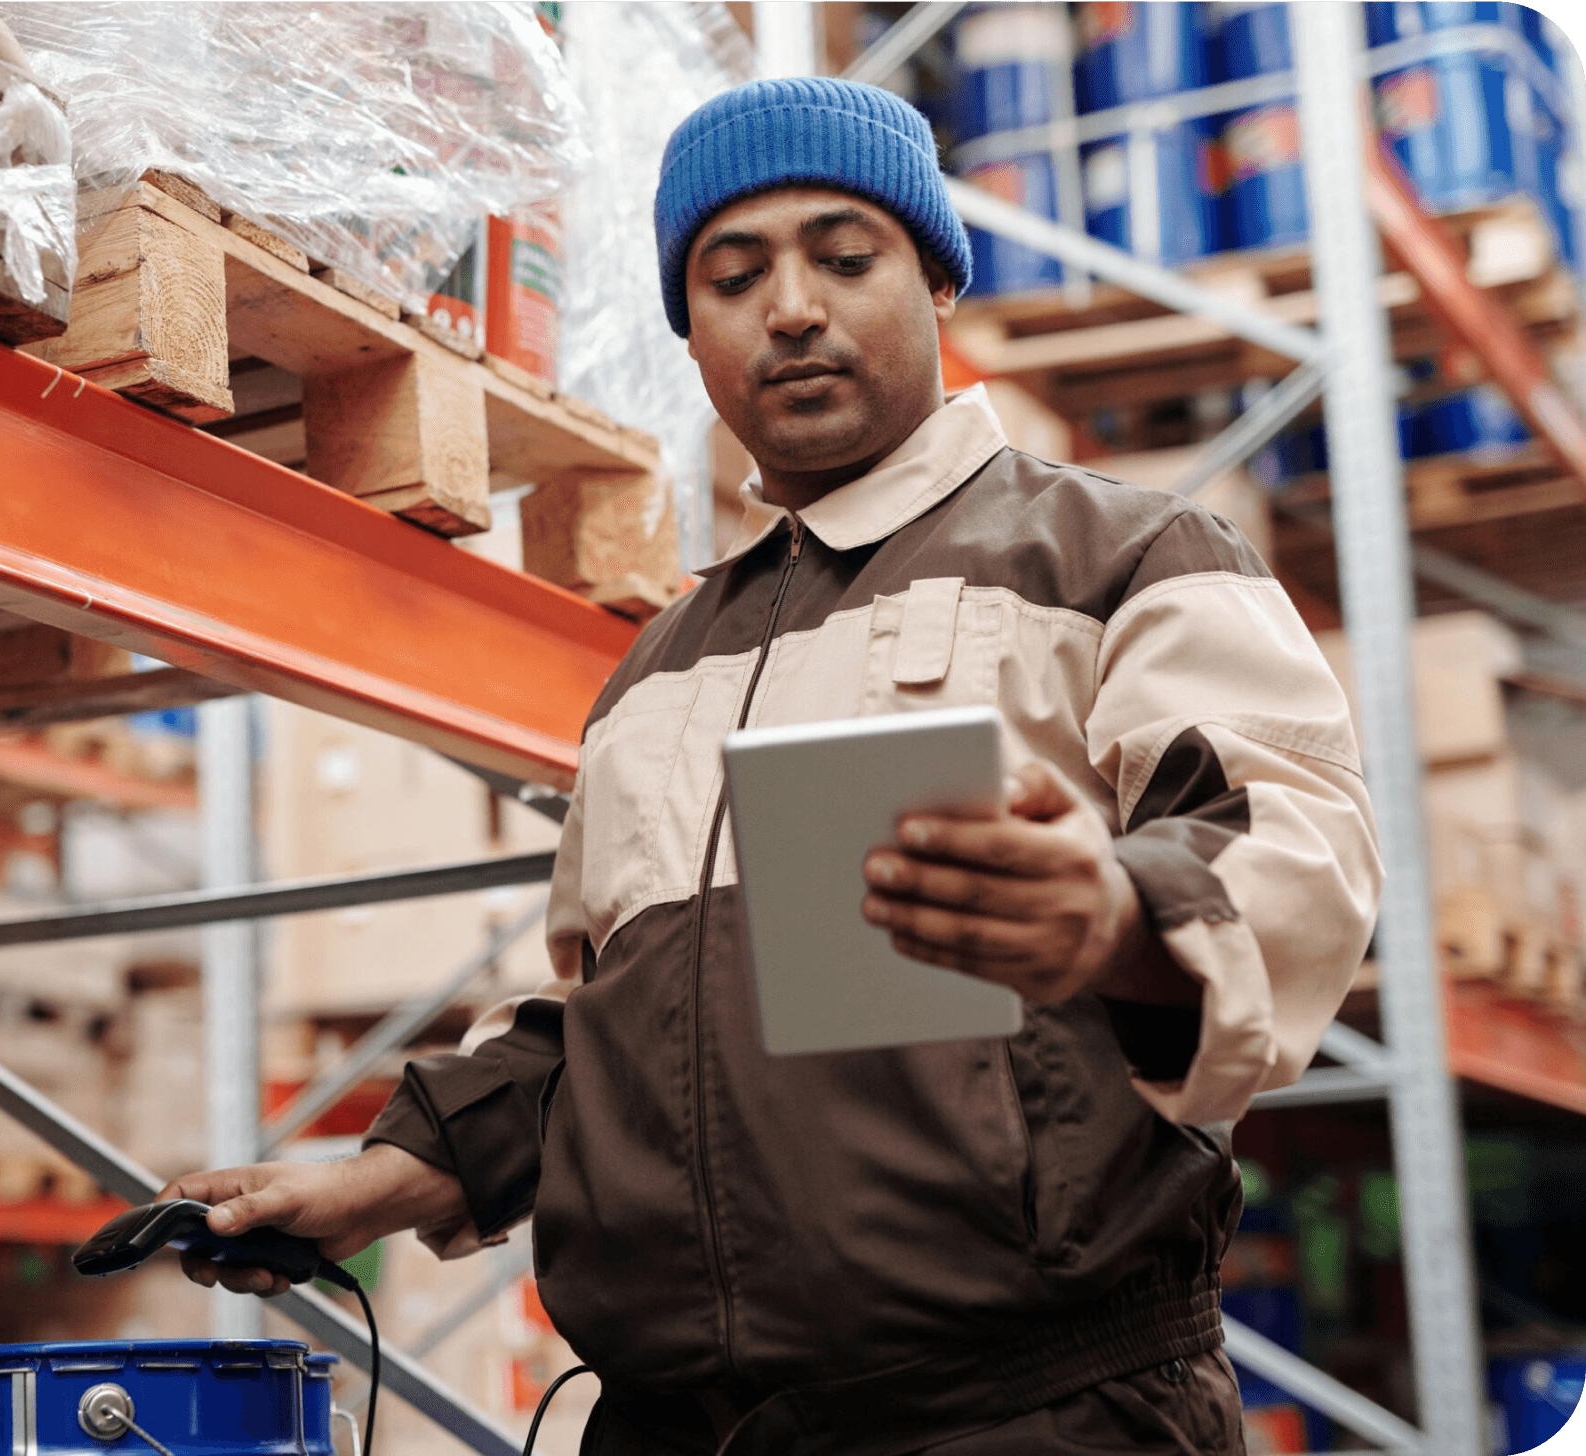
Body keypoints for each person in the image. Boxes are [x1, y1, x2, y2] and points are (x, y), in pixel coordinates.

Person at [165, 78, 1381, 1455]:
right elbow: (622, 1013)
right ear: (693, 339)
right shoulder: (662, 668)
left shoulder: (1116, 562)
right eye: (731, 278)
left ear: (934, 282)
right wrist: (394, 1175)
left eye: (845, 256)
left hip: (1027, 1421)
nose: (791, 307)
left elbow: (1292, 848)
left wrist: (1112, 914)